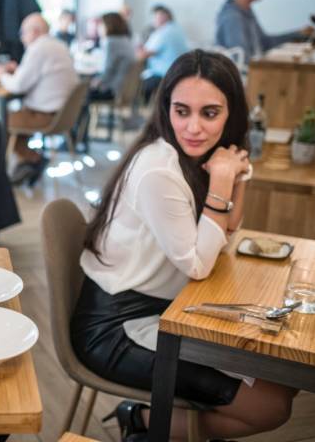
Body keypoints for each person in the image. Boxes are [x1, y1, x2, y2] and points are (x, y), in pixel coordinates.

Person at [71, 50, 297, 442]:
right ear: (166, 109)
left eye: (209, 113)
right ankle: (143, 422)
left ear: (231, 114)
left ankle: (151, 424)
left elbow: (224, 236)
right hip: (116, 327)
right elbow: (198, 264)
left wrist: (236, 173)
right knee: (271, 404)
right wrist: (224, 182)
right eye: (181, 111)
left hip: (170, 307)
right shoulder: (158, 169)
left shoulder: (193, 154)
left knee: (284, 373)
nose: (193, 127)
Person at [0, 13, 79, 186]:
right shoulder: (58, 45)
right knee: (14, 116)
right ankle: (30, 162)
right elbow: (35, 76)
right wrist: (18, 70)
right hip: (63, 114)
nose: (22, 38)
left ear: (34, 31)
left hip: (45, 115)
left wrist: (2, 74)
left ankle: (31, 161)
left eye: (22, 33)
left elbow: (17, 86)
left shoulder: (38, 48)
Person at [215, 0, 312, 63]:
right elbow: (241, 59)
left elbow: (265, 42)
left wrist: (299, 33)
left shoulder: (247, 11)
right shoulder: (232, 17)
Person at [137, 5, 188, 102]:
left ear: (163, 18)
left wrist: (139, 49)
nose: (153, 21)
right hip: (178, 73)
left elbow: (143, 55)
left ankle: (144, 111)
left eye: (155, 17)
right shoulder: (178, 29)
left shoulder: (163, 32)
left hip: (162, 75)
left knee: (135, 83)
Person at [89, 12, 136, 101]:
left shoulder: (111, 42)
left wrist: (94, 82)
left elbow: (107, 70)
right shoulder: (125, 39)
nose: (98, 28)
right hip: (122, 87)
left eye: (100, 24)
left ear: (108, 25)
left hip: (112, 90)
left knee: (80, 94)